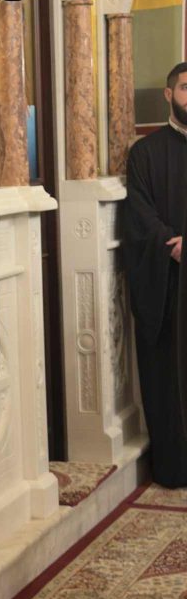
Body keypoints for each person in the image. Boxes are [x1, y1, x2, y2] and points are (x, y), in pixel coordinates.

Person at [124, 60, 187, 488]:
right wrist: (173, 243)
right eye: (184, 88)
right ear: (169, 94)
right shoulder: (145, 153)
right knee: (169, 378)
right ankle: (175, 468)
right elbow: (140, 214)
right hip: (168, 282)